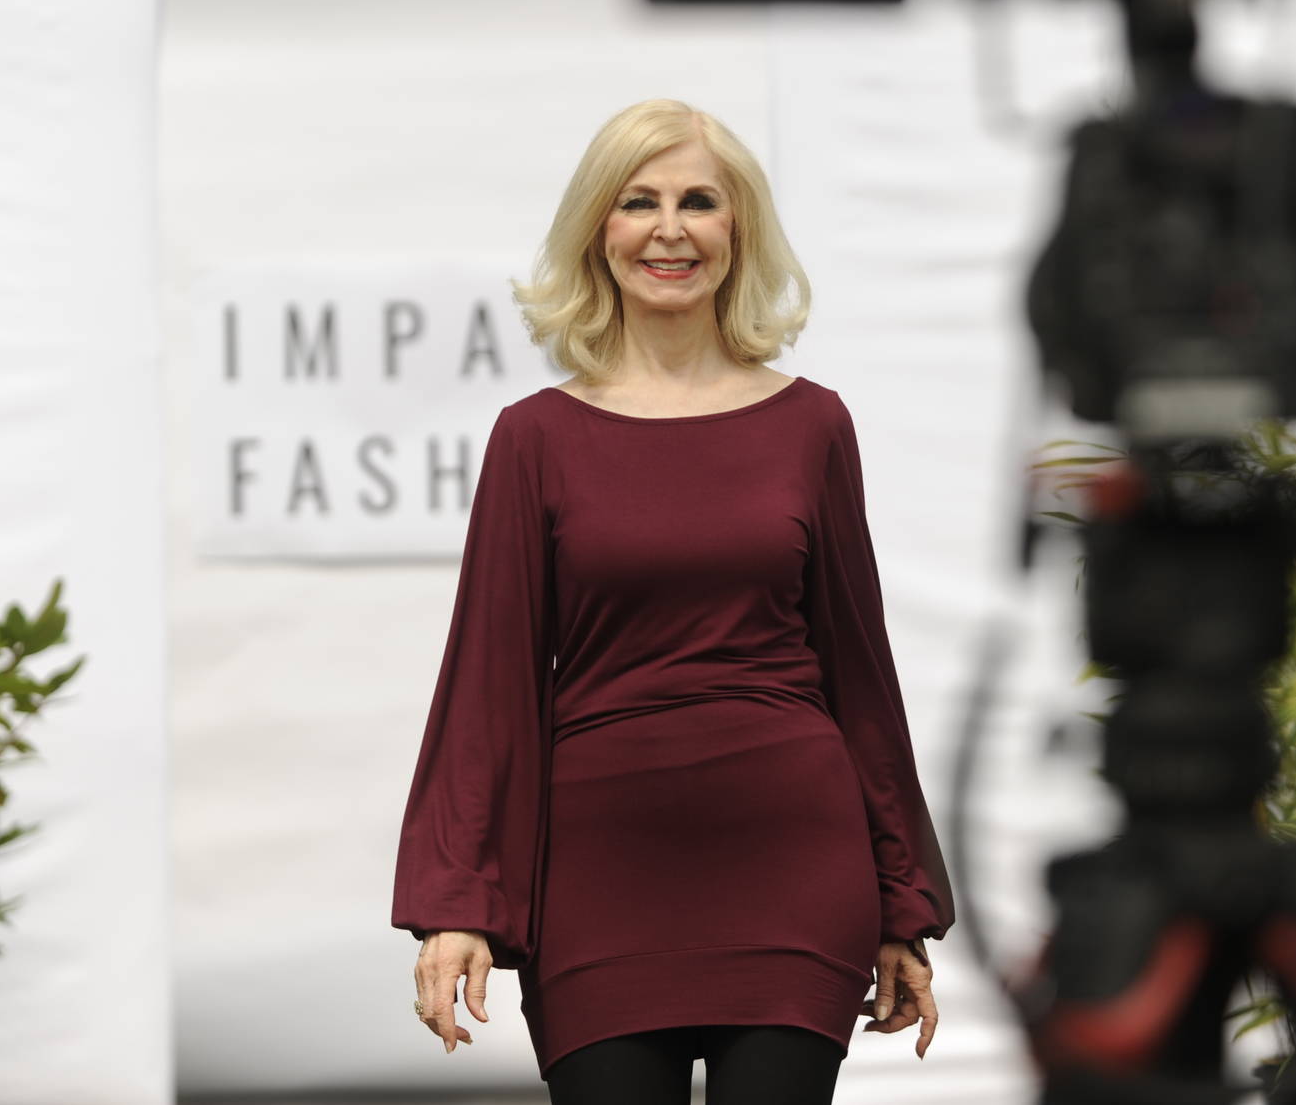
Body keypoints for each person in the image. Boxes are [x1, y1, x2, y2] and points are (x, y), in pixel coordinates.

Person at [392, 98, 955, 1104]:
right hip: (598, 877)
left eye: (698, 201)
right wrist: (455, 900)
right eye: (638, 202)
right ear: (597, 231)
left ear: (737, 230)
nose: (668, 229)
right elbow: (488, 683)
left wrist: (900, 900)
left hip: (792, 861)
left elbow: (860, 675)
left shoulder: (812, 425)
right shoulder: (534, 437)